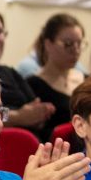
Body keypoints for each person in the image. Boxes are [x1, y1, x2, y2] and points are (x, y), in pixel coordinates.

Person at [25, 13, 87, 141]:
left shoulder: (88, 81)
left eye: (79, 43)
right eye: (68, 44)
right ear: (48, 44)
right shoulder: (33, 85)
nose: (75, 50)